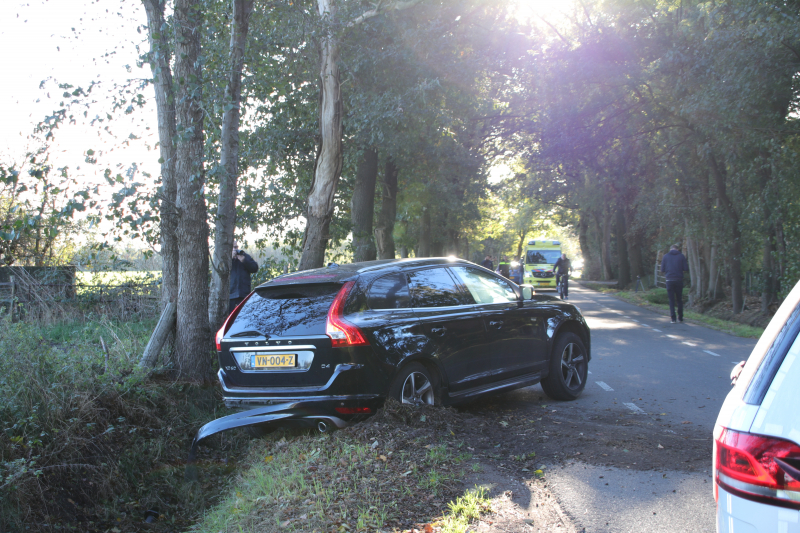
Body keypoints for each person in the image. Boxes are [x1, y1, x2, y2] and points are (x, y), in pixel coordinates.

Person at [660, 244, 689, 323]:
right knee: (679, 299)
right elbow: (685, 268)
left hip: (669, 280)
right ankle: (681, 317)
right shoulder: (681, 256)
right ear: (677, 249)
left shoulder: (665, 256)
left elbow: (662, 269)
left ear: (671, 249)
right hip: (679, 279)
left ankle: (673, 318)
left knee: (671, 300)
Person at [229, 240, 259, 313]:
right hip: (230, 295)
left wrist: (244, 261)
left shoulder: (244, 256)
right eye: (233, 247)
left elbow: (255, 268)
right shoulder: (225, 258)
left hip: (243, 294)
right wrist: (230, 258)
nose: (235, 249)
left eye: (236, 247)